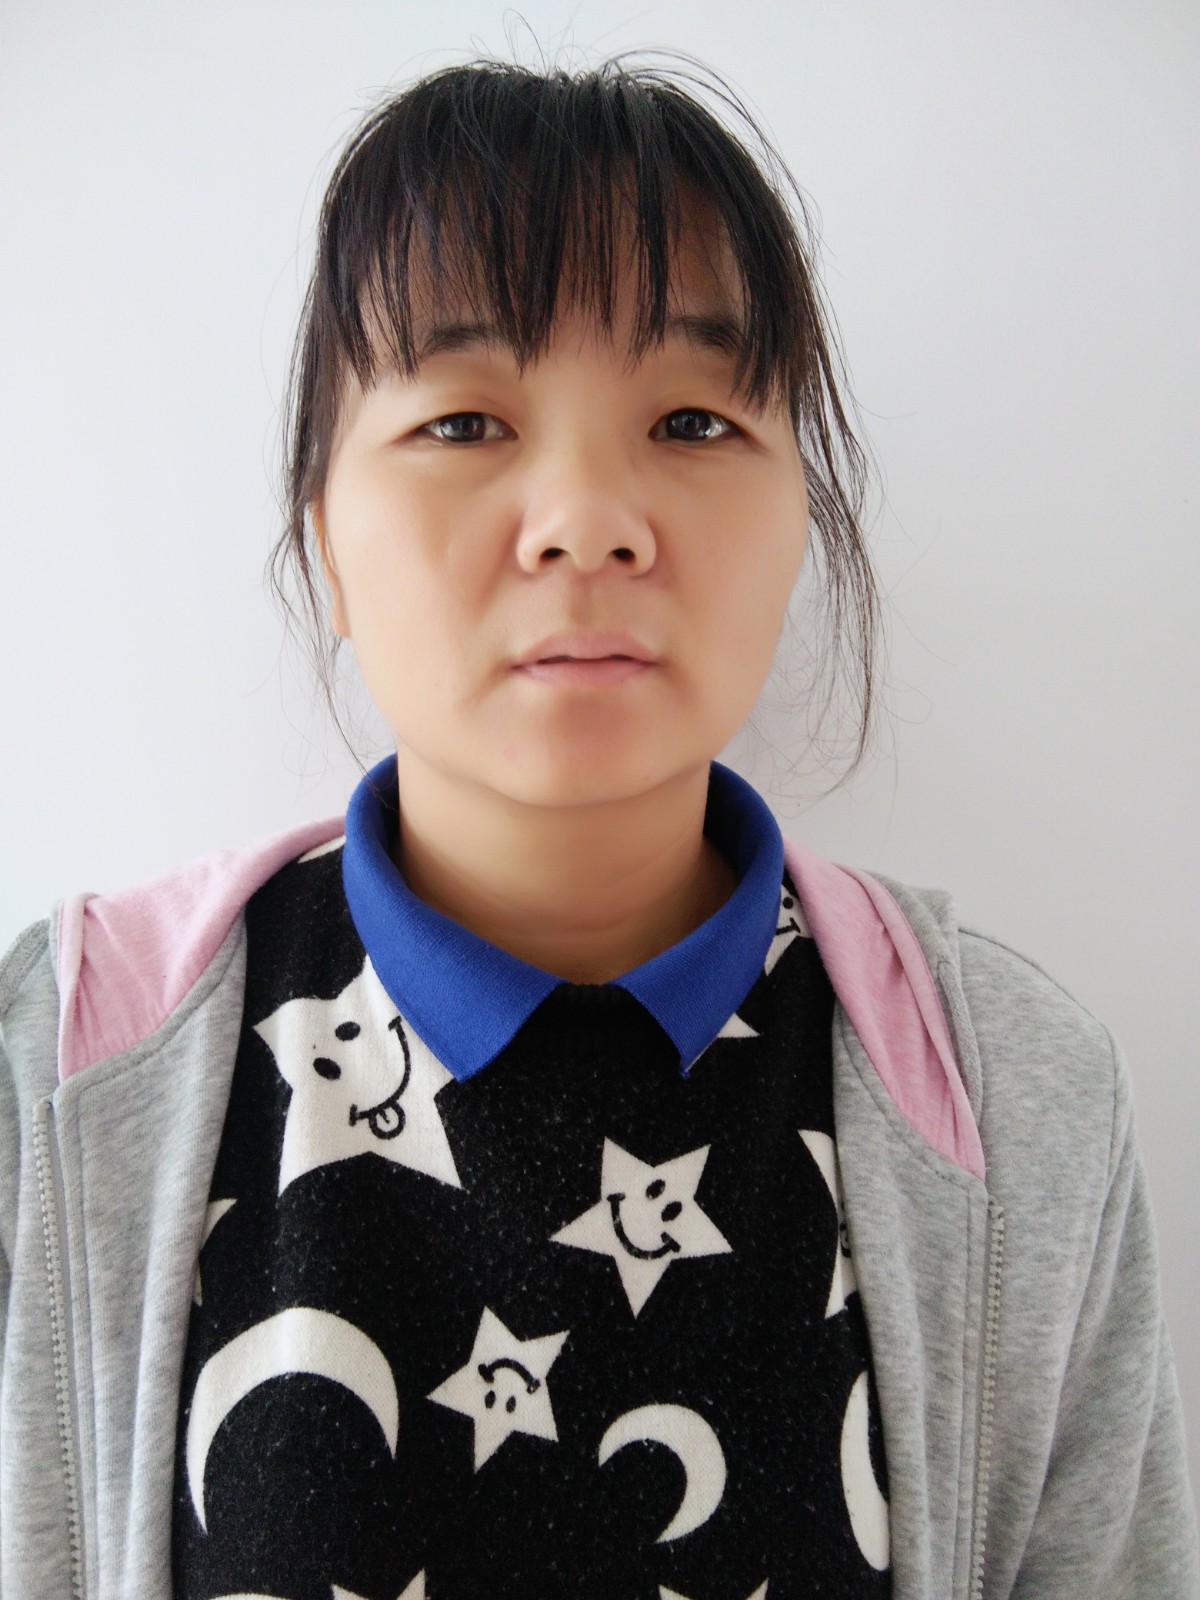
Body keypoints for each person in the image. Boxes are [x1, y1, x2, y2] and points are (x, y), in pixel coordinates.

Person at [0, 52, 1196, 1600]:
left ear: (802, 525)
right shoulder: (56, 1074)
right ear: (328, 540)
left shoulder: (1019, 1100)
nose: (586, 520)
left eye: (692, 420)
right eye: (464, 422)